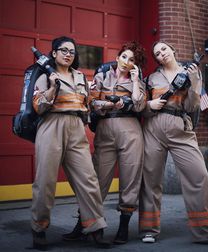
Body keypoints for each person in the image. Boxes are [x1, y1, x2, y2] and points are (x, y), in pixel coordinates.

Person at [138, 41, 208, 246]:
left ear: (173, 50)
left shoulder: (189, 72)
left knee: (199, 175)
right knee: (150, 179)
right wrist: (150, 105)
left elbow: (191, 106)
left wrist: (195, 81)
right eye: (157, 53)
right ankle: (148, 230)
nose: (161, 54)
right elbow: (142, 109)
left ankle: (206, 232)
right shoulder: (151, 78)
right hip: (154, 128)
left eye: (163, 49)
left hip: (181, 128)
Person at [31, 36, 110, 250]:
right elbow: (39, 106)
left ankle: (95, 228)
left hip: (76, 127)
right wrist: (53, 86)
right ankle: (39, 228)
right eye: (63, 50)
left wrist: (107, 105)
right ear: (54, 53)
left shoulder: (80, 76)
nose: (68, 54)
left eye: (72, 51)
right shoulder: (44, 74)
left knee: (88, 179)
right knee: (45, 181)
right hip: (51, 125)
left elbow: (88, 104)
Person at [64, 41, 147, 244]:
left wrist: (136, 81)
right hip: (105, 130)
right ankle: (84, 223)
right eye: (124, 57)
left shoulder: (138, 80)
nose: (127, 62)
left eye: (132, 60)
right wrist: (109, 104)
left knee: (130, 180)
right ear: (118, 57)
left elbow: (139, 105)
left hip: (131, 132)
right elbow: (91, 101)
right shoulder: (102, 75)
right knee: (96, 180)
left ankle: (124, 227)